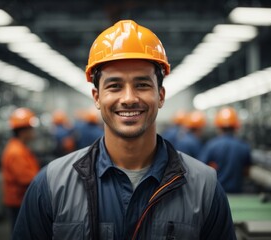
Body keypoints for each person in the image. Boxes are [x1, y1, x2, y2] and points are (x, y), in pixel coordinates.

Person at [13, 20, 236, 239]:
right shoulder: (51, 186)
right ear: (97, 97)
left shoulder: (205, 187)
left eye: (142, 84)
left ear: (160, 96)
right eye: (115, 86)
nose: (129, 98)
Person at [1, 108, 40, 230]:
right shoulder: (16, 152)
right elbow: (26, 179)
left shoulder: (19, 148)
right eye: (31, 129)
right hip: (18, 201)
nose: (33, 132)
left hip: (21, 199)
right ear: (23, 131)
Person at [199, 107, 252, 193]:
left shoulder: (211, 146)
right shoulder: (244, 147)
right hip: (237, 194)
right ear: (236, 127)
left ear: (218, 127)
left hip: (216, 194)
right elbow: (246, 172)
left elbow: (201, 170)